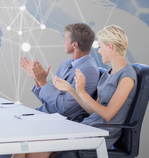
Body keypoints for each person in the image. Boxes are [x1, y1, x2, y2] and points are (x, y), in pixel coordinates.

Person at [15, 25, 137, 158]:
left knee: (37, 149)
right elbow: (92, 111)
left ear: (110, 47)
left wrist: (82, 93)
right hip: (87, 126)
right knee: (26, 144)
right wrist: (73, 91)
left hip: (100, 132)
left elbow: (107, 115)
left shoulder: (127, 77)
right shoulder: (108, 74)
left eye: (100, 47)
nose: (99, 51)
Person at [20, 23, 99, 121]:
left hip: (62, 121)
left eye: (65, 38)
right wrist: (37, 80)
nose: (63, 41)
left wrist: (43, 82)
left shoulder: (88, 70)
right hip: (45, 114)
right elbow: (50, 100)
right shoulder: (66, 64)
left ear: (74, 44)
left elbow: (65, 107)